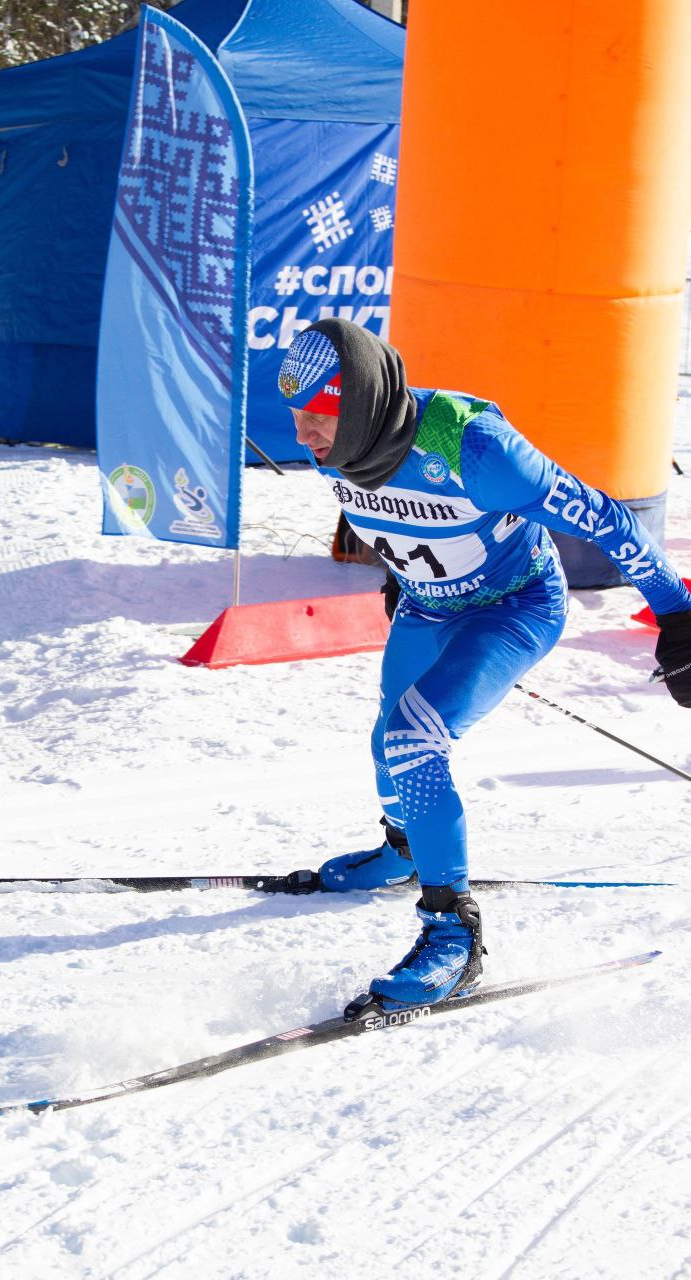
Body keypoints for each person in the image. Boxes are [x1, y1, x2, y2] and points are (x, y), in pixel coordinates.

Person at [277, 318, 691, 1020]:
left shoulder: (476, 448)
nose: (302, 439)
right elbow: (398, 507)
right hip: (426, 605)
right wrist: (397, 559)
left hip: (513, 607)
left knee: (415, 738)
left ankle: (452, 935)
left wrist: (679, 616)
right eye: (295, 420)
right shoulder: (352, 440)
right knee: (389, 745)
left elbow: (610, 520)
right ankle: (405, 848)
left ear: (362, 403)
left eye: (315, 420)